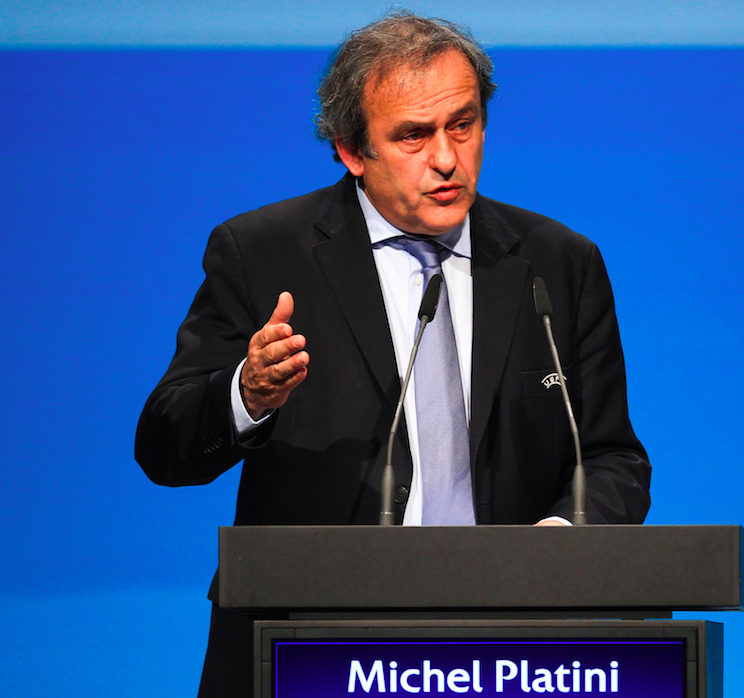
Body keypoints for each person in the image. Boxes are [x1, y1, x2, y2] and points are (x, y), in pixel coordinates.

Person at [135, 10, 650, 697]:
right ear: (352, 151)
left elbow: (613, 458)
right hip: (308, 647)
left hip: (505, 653)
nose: (447, 158)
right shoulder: (262, 252)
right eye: (413, 135)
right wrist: (246, 395)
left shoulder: (557, 263)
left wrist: (555, 541)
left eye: (463, 124)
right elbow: (164, 448)